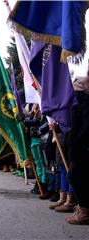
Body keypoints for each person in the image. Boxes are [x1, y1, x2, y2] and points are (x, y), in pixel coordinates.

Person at [66, 76, 89, 224]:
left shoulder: (84, 101)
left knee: (76, 176)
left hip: (82, 146)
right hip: (77, 145)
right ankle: (83, 208)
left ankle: (85, 211)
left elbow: (86, 124)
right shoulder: (76, 101)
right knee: (75, 175)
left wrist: (78, 140)